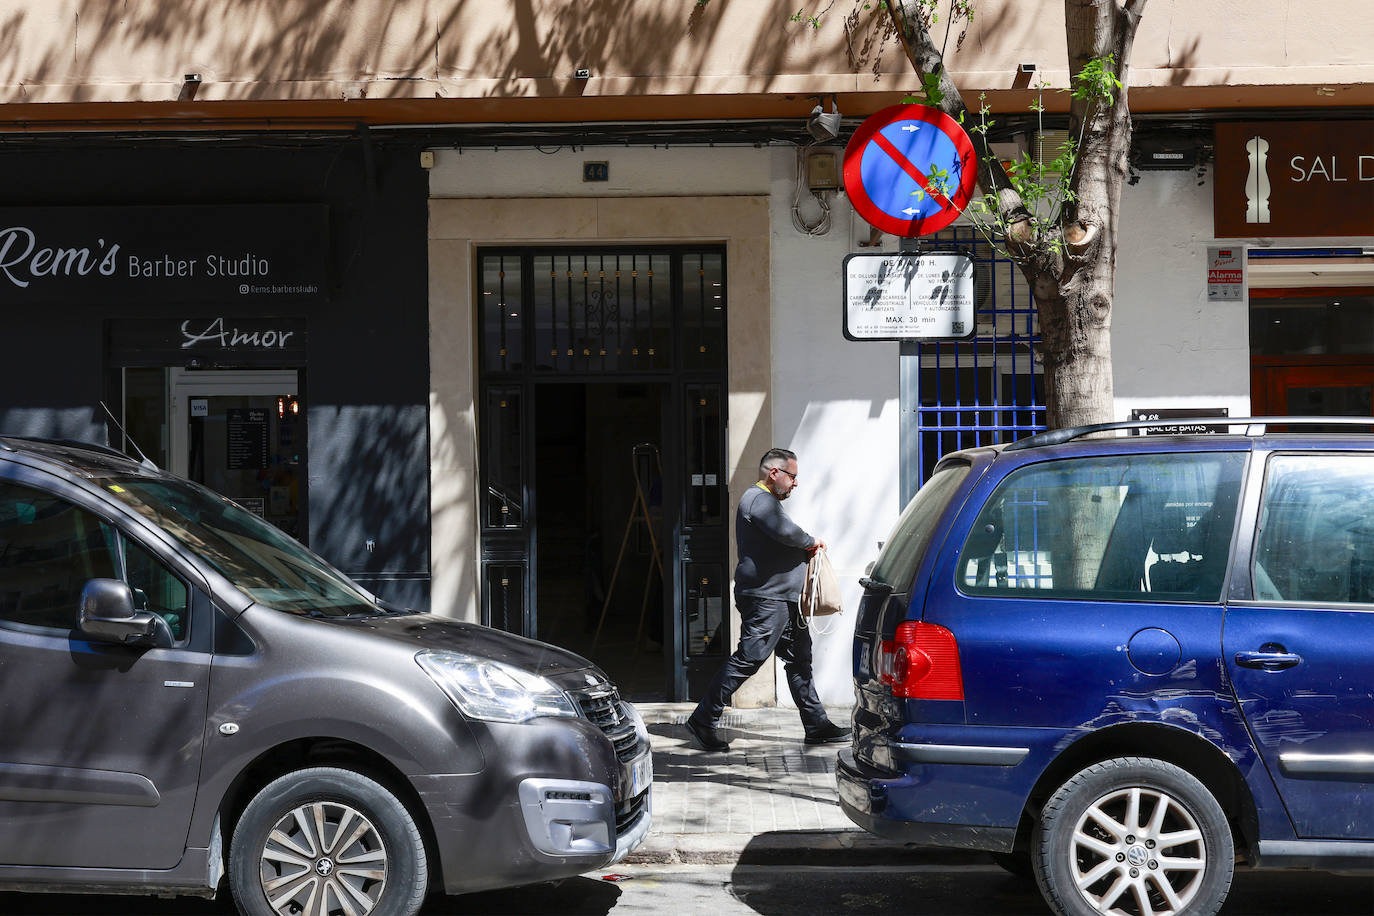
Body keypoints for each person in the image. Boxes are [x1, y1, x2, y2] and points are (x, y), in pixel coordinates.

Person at [685, 448, 852, 752]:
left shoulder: (766, 501)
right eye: (793, 476)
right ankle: (703, 719)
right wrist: (811, 541)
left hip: (784, 599)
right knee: (750, 658)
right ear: (774, 473)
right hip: (766, 599)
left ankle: (816, 725)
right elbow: (784, 531)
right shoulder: (758, 499)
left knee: (800, 660)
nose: (795, 483)